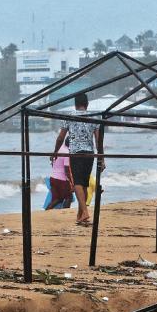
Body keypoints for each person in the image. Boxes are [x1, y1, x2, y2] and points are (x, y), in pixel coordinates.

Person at [52, 93, 104, 224]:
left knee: (77, 184)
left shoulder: (69, 116)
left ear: (75, 105)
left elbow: (60, 138)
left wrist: (55, 152)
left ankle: (85, 211)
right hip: (90, 154)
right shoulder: (94, 117)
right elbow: (98, 141)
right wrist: (101, 158)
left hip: (75, 153)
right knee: (84, 184)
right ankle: (80, 216)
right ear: (87, 104)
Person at [46, 145, 73, 210]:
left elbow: (52, 161)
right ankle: (65, 213)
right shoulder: (67, 153)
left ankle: (46, 211)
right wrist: (72, 183)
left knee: (57, 199)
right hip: (62, 179)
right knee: (69, 197)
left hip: (53, 178)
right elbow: (67, 170)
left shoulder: (58, 149)